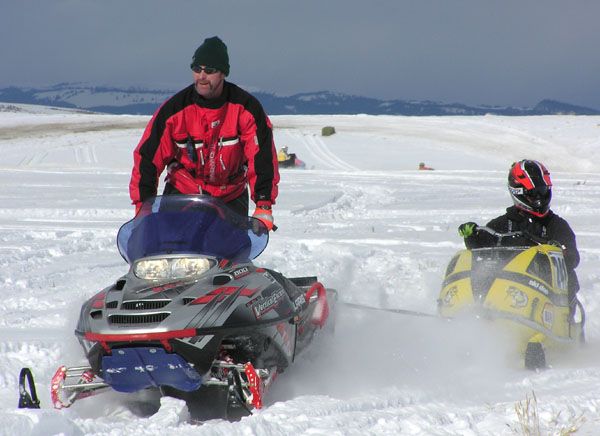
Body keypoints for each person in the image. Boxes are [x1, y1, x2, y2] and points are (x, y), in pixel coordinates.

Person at [129, 36, 279, 231]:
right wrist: (143, 207)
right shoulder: (174, 111)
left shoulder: (246, 109)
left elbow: (262, 157)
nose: (201, 76)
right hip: (183, 193)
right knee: (171, 248)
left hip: (230, 197)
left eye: (209, 71)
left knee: (230, 253)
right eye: (197, 69)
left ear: (223, 73)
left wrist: (263, 204)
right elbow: (147, 158)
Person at [458, 159, 580, 313]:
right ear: (517, 193)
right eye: (533, 194)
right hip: (506, 298)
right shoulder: (501, 224)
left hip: (547, 303)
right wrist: (472, 236)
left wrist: (552, 256)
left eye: (542, 192)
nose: (539, 199)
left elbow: (573, 258)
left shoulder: (557, 225)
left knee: (571, 277)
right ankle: (465, 311)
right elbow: (480, 250)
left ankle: (566, 323)